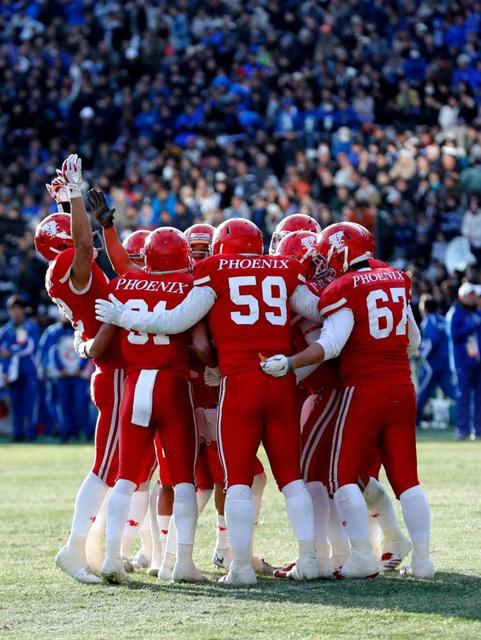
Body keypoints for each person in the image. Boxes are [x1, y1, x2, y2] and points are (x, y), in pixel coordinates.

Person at [95, 218, 322, 585]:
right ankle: (309, 559)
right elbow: (318, 307)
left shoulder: (211, 271)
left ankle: (239, 567)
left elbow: (176, 319)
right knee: (291, 479)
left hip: (229, 384)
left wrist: (126, 317)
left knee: (232, 481)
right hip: (278, 380)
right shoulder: (284, 268)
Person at [261, 222, 434, 579]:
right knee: (407, 481)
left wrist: (290, 365)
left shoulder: (339, 288)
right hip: (401, 386)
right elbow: (412, 340)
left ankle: (345, 556)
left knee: (334, 477)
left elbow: (330, 345)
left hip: (355, 389)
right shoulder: (394, 277)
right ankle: (423, 561)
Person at [81, 227, 209, 584]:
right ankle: (182, 562)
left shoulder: (125, 285)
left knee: (126, 477)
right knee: (183, 481)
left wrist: (83, 345)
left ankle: (111, 557)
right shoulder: (189, 285)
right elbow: (200, 346)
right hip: (172, 385)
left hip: (135, 385)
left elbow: (99, 347)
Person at [35, 155, 124, 584]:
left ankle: (104, 550)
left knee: (126, 468)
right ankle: (73, 549)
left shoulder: (59, 266)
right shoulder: (68, 266)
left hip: (114, 365)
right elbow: (84, 247)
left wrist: (64, 207)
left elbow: (77, 243)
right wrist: (73, 197)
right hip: (112, 368)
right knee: (105, 467)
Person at [43, 313, 92, 442]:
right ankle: (66, 432)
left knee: (81, 403)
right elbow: (50, 351)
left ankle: (86, 431)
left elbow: (88, 348)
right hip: (61, 375)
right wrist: (60, 369)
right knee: (63, 404)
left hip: (79, 375)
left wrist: (80, 368)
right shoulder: (53, 331)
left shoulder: (81, 330)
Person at [0, 295, 39, 441]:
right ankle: (17, 433)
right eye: (13, 309)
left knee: (30, 402)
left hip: (28, 370)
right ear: (9, 311)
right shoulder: (5, 330)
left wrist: (10, 351)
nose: (16, 312)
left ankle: (30, 433)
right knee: (15, 403)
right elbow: (2, 352)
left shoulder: (30, 326)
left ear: (23, 310)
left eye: (19, 309)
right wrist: (4, 371)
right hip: (11, 372)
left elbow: (28, 346)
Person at [416, 294, 458, 428]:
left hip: (431, 365)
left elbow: (430, 342)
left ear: (425, 307)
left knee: (421, 394)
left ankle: (414, 422)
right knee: (453, 393)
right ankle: (468, 417)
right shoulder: (443, 319)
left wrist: (420, 353)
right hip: (446, 363)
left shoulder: (429, 321)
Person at [446, 283, 481, 440]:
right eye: (469, 295)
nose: (472, 297)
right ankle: (462, 429)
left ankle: (477, 429)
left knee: (478, 397)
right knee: (464, 396)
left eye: (473, 294)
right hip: (462, 362)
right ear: (461, 296)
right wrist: (470, 325)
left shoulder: (476, 312)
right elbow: (454, 335)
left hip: (476, 361)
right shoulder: (456, 313)